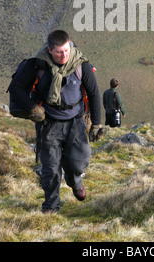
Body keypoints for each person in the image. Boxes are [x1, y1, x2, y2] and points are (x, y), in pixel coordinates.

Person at [9, 29, 105, 213]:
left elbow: (93, 93)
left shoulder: (80, 64)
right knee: (51, 169)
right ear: (50, 50)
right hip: (49, 123)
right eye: (59, 52)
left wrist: (97, 123)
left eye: (66, 51)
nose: (64, 55)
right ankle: (51, 206)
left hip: (76, 121)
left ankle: (74, 180)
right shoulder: (37, 65)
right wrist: (31, 108)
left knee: (80, 160)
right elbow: (16, 88)